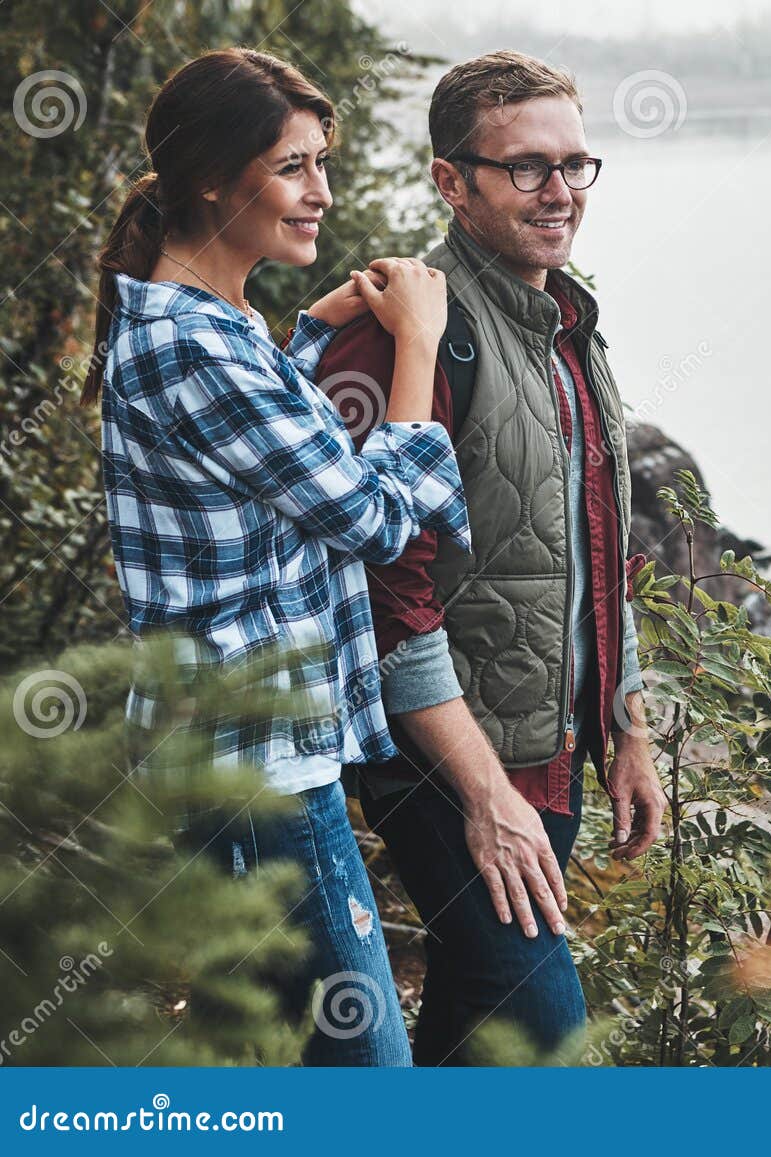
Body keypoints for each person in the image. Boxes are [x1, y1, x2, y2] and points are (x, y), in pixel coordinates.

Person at [83, 47, 472, 1066]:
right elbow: (379, 518)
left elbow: (247, 463)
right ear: (214, 176)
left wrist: (310, 336)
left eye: (321, 163)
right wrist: (418, 346)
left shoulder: (210, 321)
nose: (321, 194)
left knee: (278, 1053)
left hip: (239, 754)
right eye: (294, 166)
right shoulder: (195, 345)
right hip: (256, 764)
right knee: (366, 1071)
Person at [315, 50, 667, 1064]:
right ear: (449, 180)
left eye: (574, 165)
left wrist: (624, 725)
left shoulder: (567, 326)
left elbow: (597, 544)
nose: (558, 192)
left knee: (478, 1027)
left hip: (546, 754)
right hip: (448, 762)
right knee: (546, 1043)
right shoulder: (404, 339)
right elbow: (387, 596)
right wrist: (483, 793)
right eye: (524, 168)